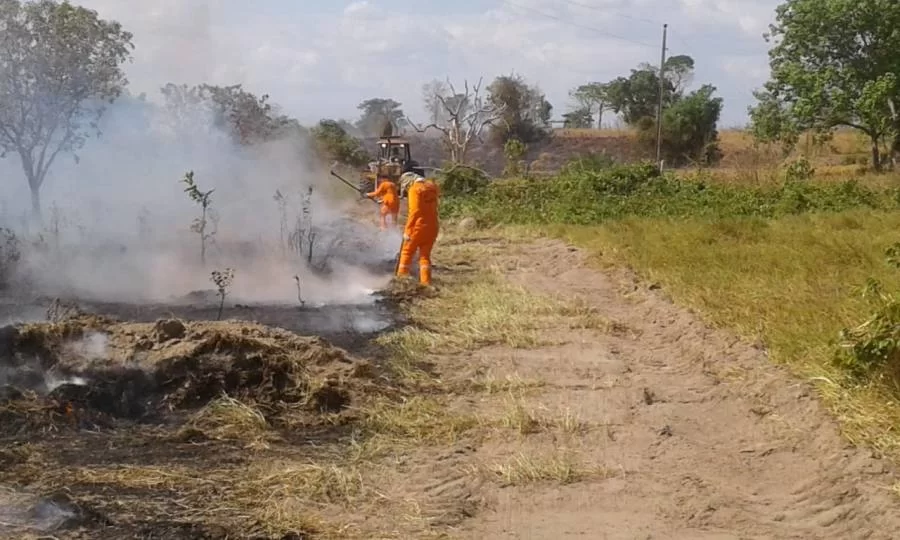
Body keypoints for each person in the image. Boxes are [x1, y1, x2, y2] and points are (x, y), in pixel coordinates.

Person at [397, 174, 440, 286]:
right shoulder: (433, 187)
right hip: (432, 226)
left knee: (407, 252)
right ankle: (425, 283)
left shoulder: (414, 189)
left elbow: (415, 211)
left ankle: (401, 280)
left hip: (418, 227)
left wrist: (407, 229)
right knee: (424, 256)